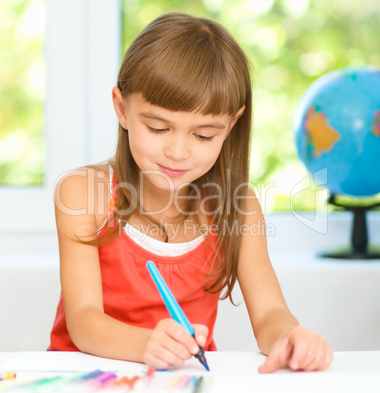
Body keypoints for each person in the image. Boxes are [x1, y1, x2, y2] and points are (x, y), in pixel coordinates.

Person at [48, 12, 333, 373]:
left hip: (183, 380)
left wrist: (290, 338)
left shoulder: (238, 208)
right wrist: (146, 344)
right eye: (158, 128)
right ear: (121, 108)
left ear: (230, 126)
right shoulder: (82, 195)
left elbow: (270, 314)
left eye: (203, 136)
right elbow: (84, 321)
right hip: (81, 380)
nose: (178, 152)